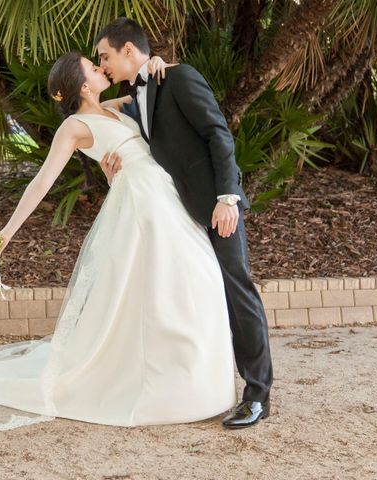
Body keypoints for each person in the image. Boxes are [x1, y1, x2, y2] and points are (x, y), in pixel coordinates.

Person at [0, 53, 236, 432]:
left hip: (162, 197)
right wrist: (6, 232)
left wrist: (158, 62)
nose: (101, 68)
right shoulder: (74, 127)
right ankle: (161, 385)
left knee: (194, 278)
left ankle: (195, 380)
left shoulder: (115, 106)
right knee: (159, 288)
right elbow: (41, 181)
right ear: (82, 85)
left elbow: (148, 94)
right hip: (142, 206)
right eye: (94, 68)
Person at [95, 17, 273, 429]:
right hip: (176, 216)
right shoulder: (139, 92)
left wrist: (227, 198)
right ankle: (203, 387)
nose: (101, 64)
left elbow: (218, 133)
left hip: (215, 208)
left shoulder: (179, 78)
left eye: (104, 56)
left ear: (127, 49)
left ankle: (258, 396)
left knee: (237, 291)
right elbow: (92, 111)